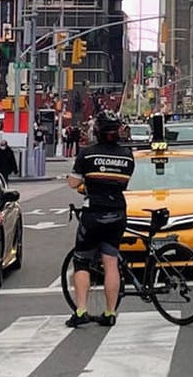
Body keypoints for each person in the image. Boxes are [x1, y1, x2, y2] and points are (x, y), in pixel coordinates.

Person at [66, 114, 134, 329]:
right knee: (111, 263)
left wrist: (82, 183)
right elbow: (122, 181)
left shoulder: (87, 155)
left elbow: (74, 182)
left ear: (97, 131)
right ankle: (110, 312)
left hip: (93, 214)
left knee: (82, 261)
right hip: (118, 213)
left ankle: (81, 310)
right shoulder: (127, 156)